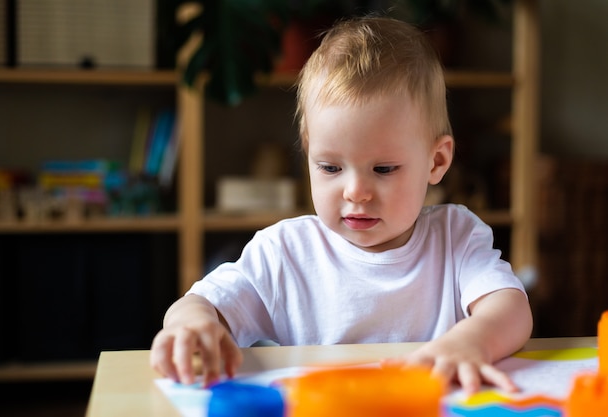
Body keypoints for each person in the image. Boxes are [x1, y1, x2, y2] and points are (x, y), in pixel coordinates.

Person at [150, 16, 533, 394]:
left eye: (383, 168)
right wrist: (192, 325)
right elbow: (200, 303)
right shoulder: (285, 252)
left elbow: (511, 309)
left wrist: (469, 343)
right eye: (330, 167)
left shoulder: (456, 237)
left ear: (436, 162)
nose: (356, 192)